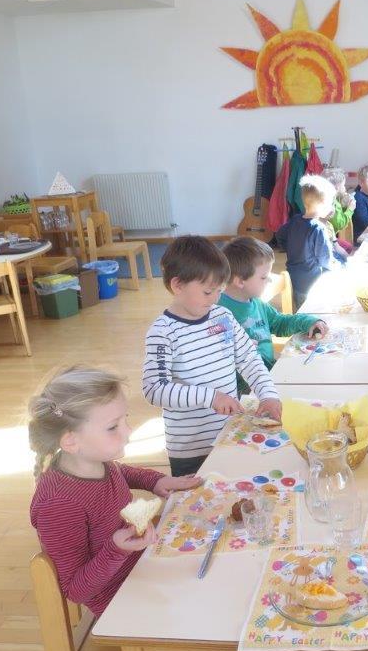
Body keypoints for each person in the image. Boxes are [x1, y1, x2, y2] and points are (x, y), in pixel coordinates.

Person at [29, 366, 202, 616]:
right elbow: (76, 591)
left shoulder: (94, 461)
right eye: (113, 427)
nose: (129, 431)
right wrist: (116, 550)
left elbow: (120, 473)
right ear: (70, 440)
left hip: (142, 565)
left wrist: (157, 481)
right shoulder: (59, 505)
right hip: (117, 600)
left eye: (125, 419)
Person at [142, 236, 281, 476]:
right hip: (191, 449)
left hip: (229, 434)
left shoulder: (222, 317)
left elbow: (249, 359)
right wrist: (210, 397)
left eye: (220, 290)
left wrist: (267, 394)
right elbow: (154, 389)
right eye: (208, 291)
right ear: (178, 285)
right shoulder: (163, 332)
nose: (216, 298)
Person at [219, 236, 328, 381]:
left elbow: (280, 322)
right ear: (240, 281)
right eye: (264, 277)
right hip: (244, 386)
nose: (269, 280)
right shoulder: (218, 312)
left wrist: (308, 322)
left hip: (269, 373)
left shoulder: (256, 303)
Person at [276, 175, 343, 310]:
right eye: (330, 203)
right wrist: (340, 267)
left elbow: (280, 235)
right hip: (313, 282)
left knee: (301, 311)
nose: (332, 208)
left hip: (294, 278)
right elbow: (325, 260)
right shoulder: (318, 228)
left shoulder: (295, 220)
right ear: (322, 204)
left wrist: (291, 248)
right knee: (315, 311)